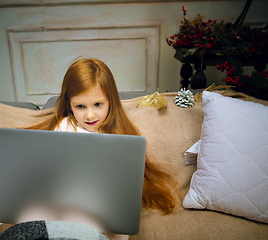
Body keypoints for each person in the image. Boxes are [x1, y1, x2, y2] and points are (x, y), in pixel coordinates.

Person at [27, 58, 178, 214]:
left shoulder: (119, 134)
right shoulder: (64, 127)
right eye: (80, 106)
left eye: (98, 104)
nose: (90, 115)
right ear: (70, 105)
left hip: (105, 207)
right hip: (67, 205)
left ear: (110, 101)